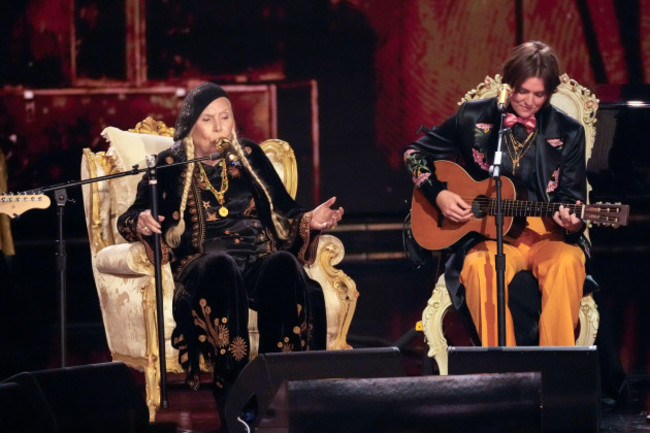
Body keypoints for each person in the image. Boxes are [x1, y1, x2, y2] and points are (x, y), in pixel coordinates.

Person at [117, 82, 343, 421]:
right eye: (209, 120)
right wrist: (143, 222)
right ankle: (235, 392)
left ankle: (279, 387)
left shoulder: (249, 155)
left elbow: (286, 209)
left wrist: (312, 219)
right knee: (222, 267)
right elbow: (129, 217)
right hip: (203, 265)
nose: (220, 127)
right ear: (191, 124)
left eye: (226, 117)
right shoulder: (168, 164)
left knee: (282, 263)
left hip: (254, 260)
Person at [404, 41, 590, 347]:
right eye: (522, 91)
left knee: (568, 263)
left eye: (538, 94)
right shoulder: (473, 118)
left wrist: (573, 222)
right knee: (479, 268)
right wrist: (438, 194)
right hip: (490, 236)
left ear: (549, 93)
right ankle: (506, 375)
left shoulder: (568, 131)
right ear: (508, 84)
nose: (528, 101)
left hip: (547, 235)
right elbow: (414, 153)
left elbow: (572, 196)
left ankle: (555, 374)